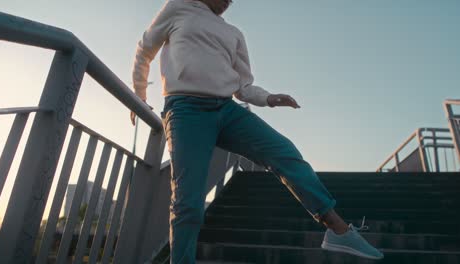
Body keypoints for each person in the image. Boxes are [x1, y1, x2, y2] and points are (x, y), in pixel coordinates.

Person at [130, 0, 384, 263]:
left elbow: (244, 86)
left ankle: (337, 230)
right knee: (188, 201)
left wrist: (269, 97)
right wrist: (139, 94)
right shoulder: (178, 7)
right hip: (186, 108)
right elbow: (144, 50)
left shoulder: (234, 33)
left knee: (284, 152)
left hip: (227, 109)